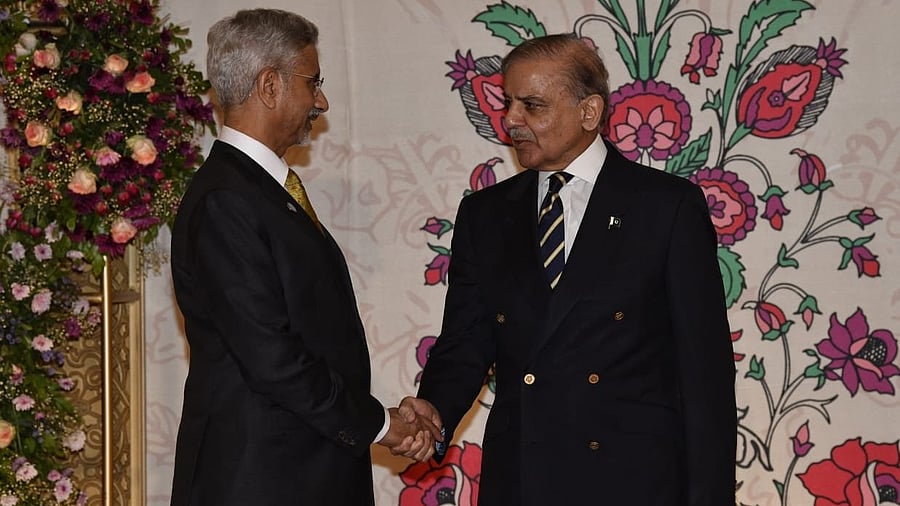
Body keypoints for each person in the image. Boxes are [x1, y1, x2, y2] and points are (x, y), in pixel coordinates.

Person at [403, 33, 737, 505]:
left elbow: (705, 374)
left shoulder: (666, 207)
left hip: (635, 482)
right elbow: (466, 342)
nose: (510, 120)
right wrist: (431, 412)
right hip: (523, 477)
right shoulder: (485, 213)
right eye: (508, 103)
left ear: (589, 112)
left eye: (532, 106)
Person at [169, 9, 439, 505]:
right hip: (262, 481)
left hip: (296, 474)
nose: (322, 100)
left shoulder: (255, 192)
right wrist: (382, 424)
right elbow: (273, 358)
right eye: (312, 82)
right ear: (270, 85)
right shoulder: (227, 199)